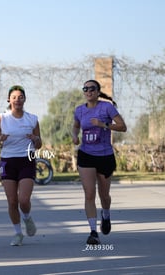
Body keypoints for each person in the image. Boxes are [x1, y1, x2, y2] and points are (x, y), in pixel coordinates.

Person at [72, 79, 127, 245]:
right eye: (85, 89)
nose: (88, 91)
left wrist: (103, 124)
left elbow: (122, 126)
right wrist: (74, 135)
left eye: (92, 88)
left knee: (104, 195)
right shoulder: (79, 110)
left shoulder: (107, 107)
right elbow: (75, 126)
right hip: (86, 155)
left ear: (97, 91)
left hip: (105, 156)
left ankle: (106, 214)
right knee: (89, 193)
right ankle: (93, 232)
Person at [0, 85, 41, 246]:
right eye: (14, 97)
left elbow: (39, 144)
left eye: (20, 97)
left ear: (24, 99)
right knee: (12, 201)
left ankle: (27, 217)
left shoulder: (32, 119)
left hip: (27, 160)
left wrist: (35, 139)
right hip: (8, 161)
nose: (17, 100)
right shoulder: (2, 118)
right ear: (9, 100)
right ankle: (18, 233)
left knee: (23, 200)